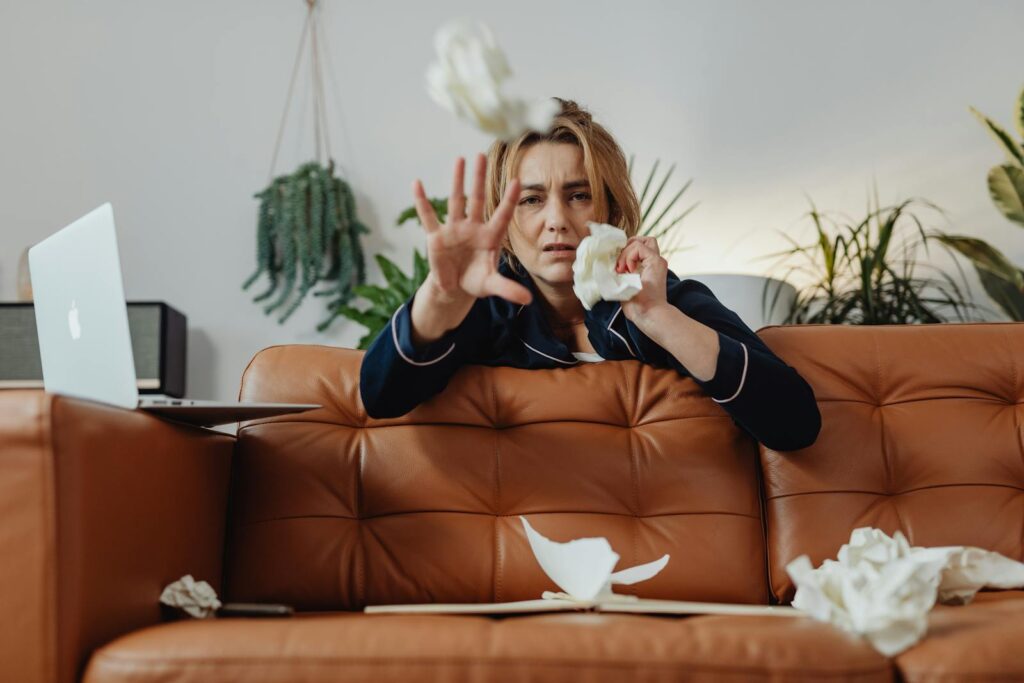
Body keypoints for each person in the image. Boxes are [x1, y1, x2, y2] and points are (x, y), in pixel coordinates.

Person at [359, 99, 821, 451]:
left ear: (611, 210)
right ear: (504, 218)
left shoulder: (662, 297)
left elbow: (795, 423)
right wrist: (439, 299)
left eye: (578, 195)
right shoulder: (484, 306)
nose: (557, 219)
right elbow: (380, 397)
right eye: (532, 199)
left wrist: (658, 318)